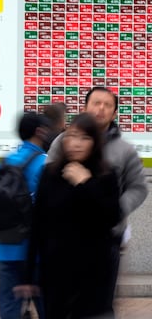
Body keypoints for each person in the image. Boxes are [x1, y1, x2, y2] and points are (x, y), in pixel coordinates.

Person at [46, 87, 148, 302]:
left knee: (98, 305)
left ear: (114, 114)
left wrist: (117, 209)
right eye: (96, 103)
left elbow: (138, 187)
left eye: (107, 105)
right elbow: (47, 181)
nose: (101, 109)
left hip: (106, 239)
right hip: (65, 240)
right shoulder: (63, 142)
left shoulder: (124, 150)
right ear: (85, 107)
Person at [20, 112, 121, 317]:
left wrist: (85, 184)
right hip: (56, 274)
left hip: (93, 277)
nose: (76, 143)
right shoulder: (50, 174)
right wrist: (29, 275)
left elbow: (111, 217)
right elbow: (37, 224)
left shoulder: (106, 175)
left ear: (95, 142)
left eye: (85, 138)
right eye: (72, 136)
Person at [0, 112, 49, 319]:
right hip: (37, 251)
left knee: (8, 307)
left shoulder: (3, 163)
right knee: (46, 307)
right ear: (40, 132)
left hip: (5, 248)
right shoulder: (45, 164)